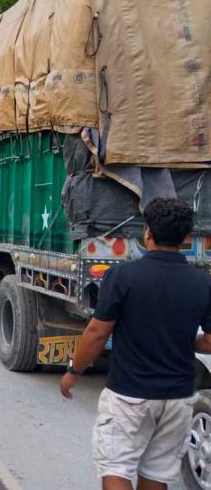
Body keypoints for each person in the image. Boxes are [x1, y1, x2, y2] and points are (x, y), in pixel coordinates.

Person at [61, 197, 211, 490]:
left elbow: (96, 333)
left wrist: (74, 371)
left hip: (130, 395)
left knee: (116, 467)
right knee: (156, 473)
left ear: (147, 234)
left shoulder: (123, 275)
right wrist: (184, 339)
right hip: (179, 397)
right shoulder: (202, 282)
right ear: (187, 238)